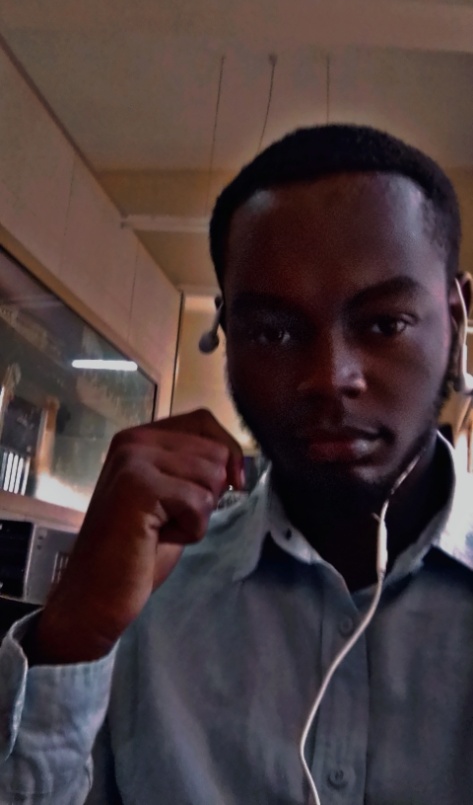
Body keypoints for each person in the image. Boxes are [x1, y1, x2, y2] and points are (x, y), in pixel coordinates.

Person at [1, 124, 472, 805]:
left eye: (383, 323)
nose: (329, 377)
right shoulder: (145, 601)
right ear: (226, 332)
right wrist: (72, 639)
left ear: (456, 317)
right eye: (273, 331)